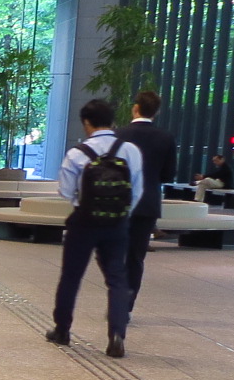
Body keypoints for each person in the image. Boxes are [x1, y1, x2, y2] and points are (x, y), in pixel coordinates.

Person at [47, 99, 146, 358]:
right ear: (112, 121)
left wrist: (84, 202)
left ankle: (62, 330)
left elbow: (65, 191)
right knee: (117, 278)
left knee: (71, 276)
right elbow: (137, 190)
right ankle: (117, 334)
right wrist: (122, 214)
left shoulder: (78, 153)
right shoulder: (130, 151)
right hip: (117, 223)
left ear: (86, 123)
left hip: (84, 222)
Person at [116, 90, 177, 303]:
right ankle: (126, 305)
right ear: (156, 112)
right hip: (147, 204)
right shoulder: (166, 138)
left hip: (118, 202)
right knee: (135, 257)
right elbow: (168, 175)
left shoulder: (118, 135)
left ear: (135, 108)